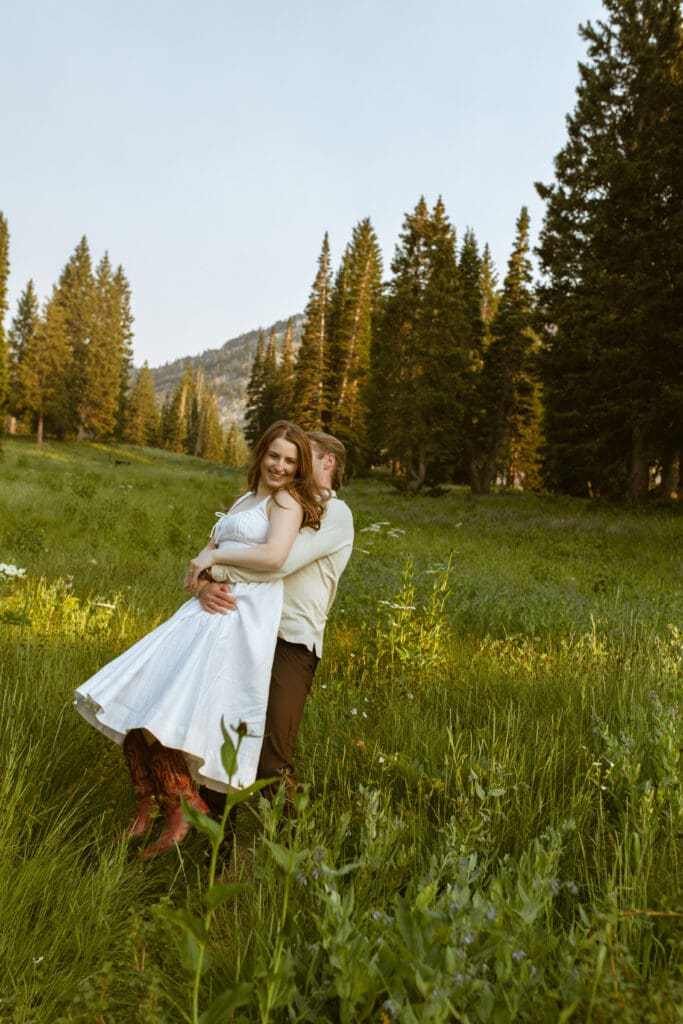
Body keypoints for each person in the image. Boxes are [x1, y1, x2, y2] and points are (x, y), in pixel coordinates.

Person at [74, 421, 326, 858]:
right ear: (261, 453)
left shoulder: (288, 501)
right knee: (137, 699)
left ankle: (182, 810)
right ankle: (151, 806)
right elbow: (197, 567)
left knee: (165, 710)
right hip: (206, 609)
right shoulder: (245, 499)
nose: (280, 467)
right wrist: (203, 582)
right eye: (274, 456)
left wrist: (214, 555)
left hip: (238, 617)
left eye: (290, 460)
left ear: (299, 465)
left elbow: (273, 557)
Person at [189, 431, 353, 815]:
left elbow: (278, 565)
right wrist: (201, 586)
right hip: (245, 631)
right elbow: (242, 546)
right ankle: (215, 850)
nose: (289, 463)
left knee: (271, 760)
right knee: (222, 743)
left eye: (303, 456)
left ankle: (290, 857)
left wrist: (211, 569)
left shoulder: (334, 513)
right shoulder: (286, 504)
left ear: (327, 461)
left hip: (290, 641)